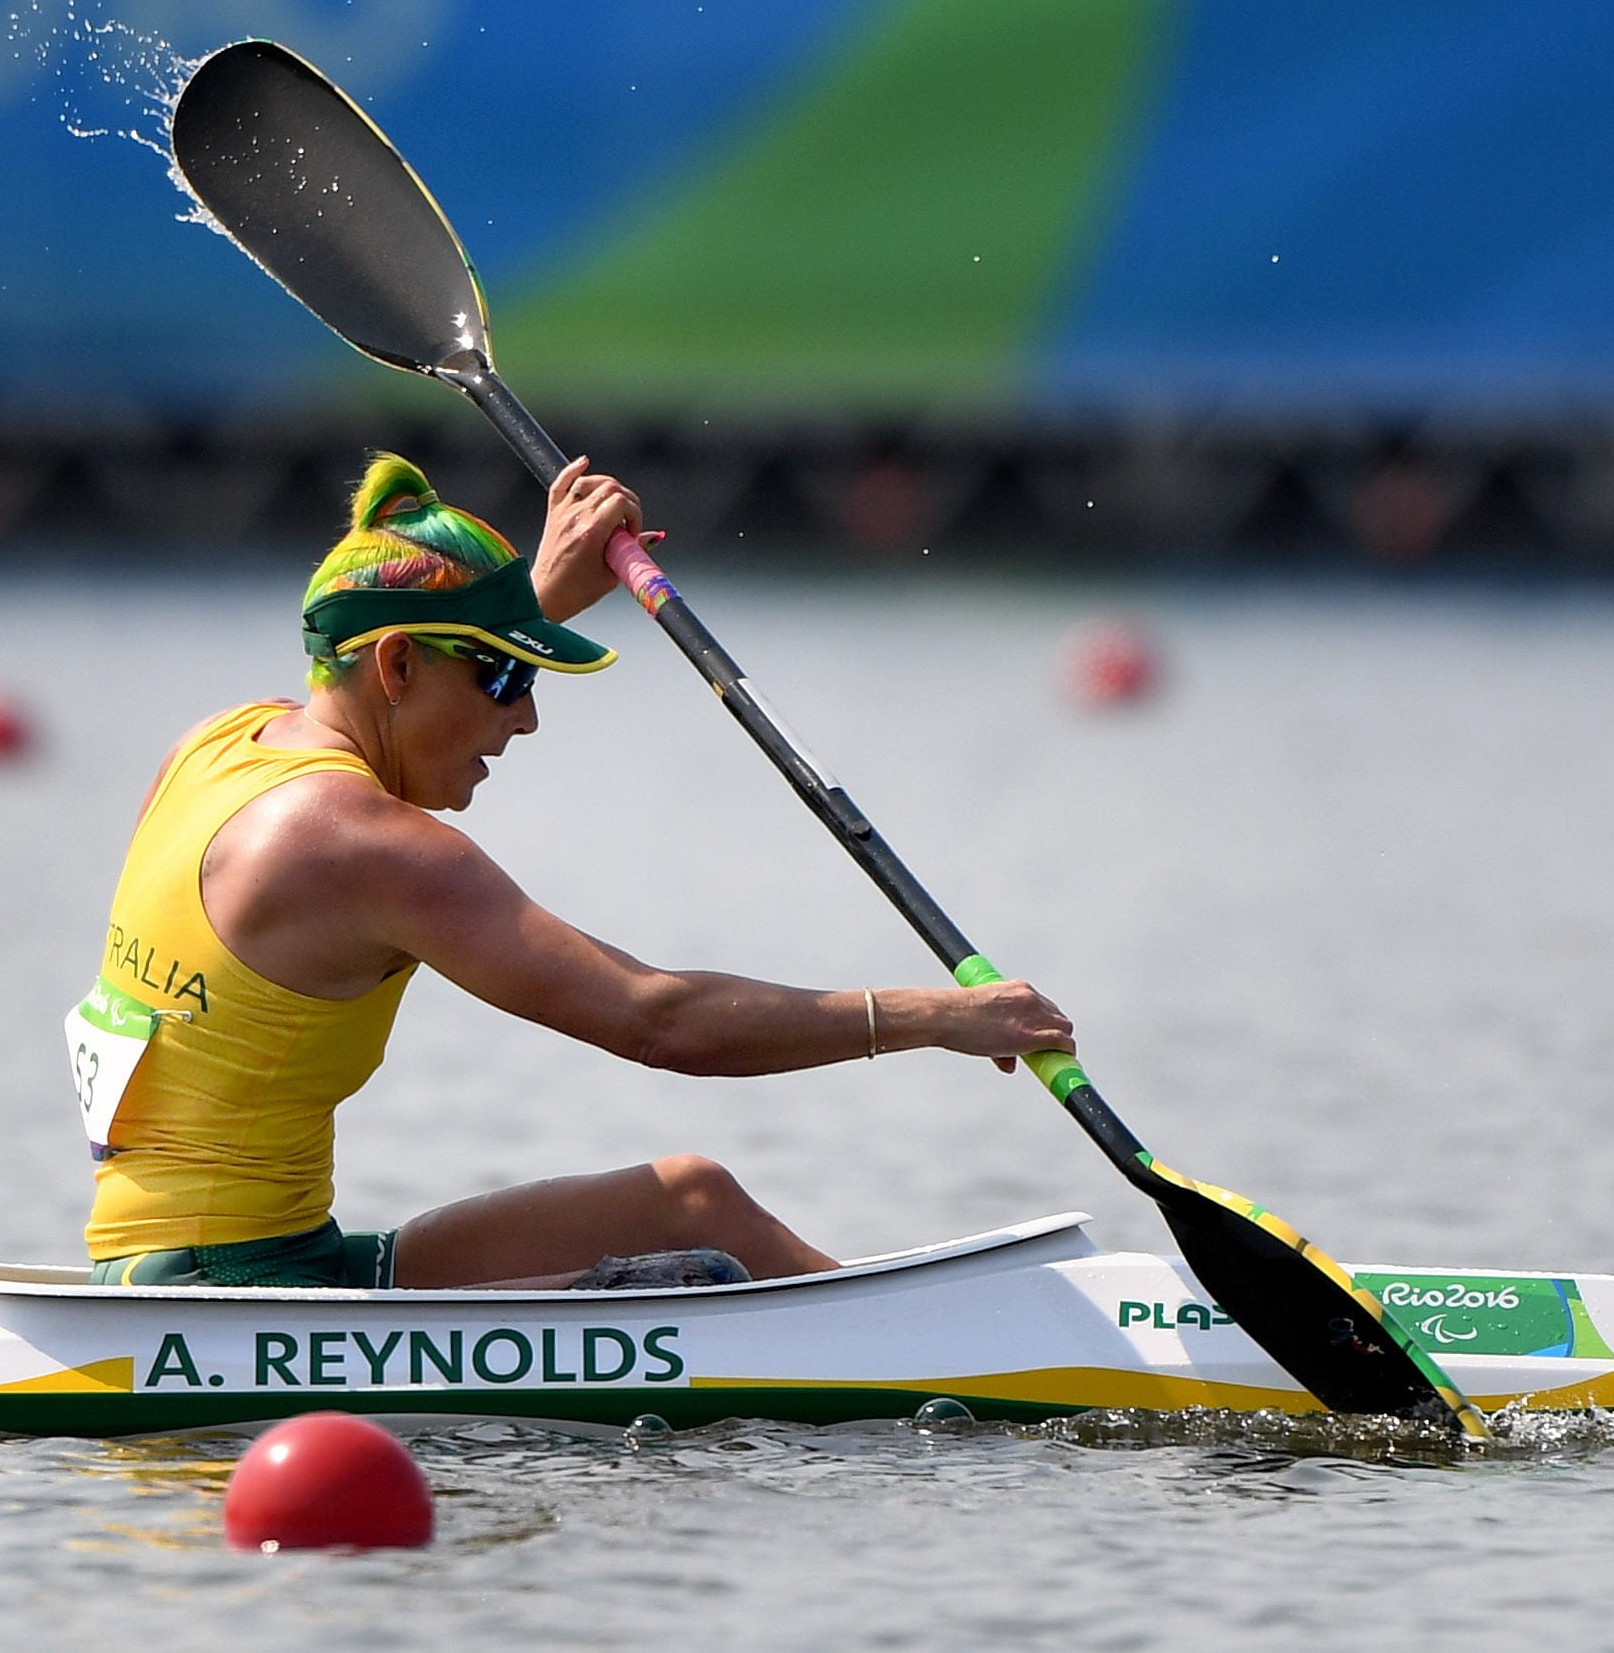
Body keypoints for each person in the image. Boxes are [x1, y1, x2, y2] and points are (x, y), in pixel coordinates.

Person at [69, 451, 1075, 1290]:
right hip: (236, 1298)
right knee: (698, 1233)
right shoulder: (368, 848)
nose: (526, 716)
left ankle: (901, 1343)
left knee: (691, 1202)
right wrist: (937, 1017)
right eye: (504, 676)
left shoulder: (221, 744)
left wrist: (525, 605)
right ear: (398, 668)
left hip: (183, 1264)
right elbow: (657, 1020)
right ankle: (925, 1359)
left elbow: (374, 748)